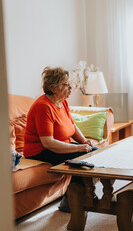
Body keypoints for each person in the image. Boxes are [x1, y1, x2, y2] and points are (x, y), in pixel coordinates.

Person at [23, 66, 97, 212]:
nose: (70, 87)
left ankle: (84, 196)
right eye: (65, 84)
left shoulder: (62, 102)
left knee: (96, 152)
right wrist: (79, 148)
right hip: (40, 151)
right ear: (53, 87)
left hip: (60, 145)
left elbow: (72, 126)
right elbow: (48, 142)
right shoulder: (43, 107)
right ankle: (70, 202)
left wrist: (84, 141)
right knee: (82, 159)